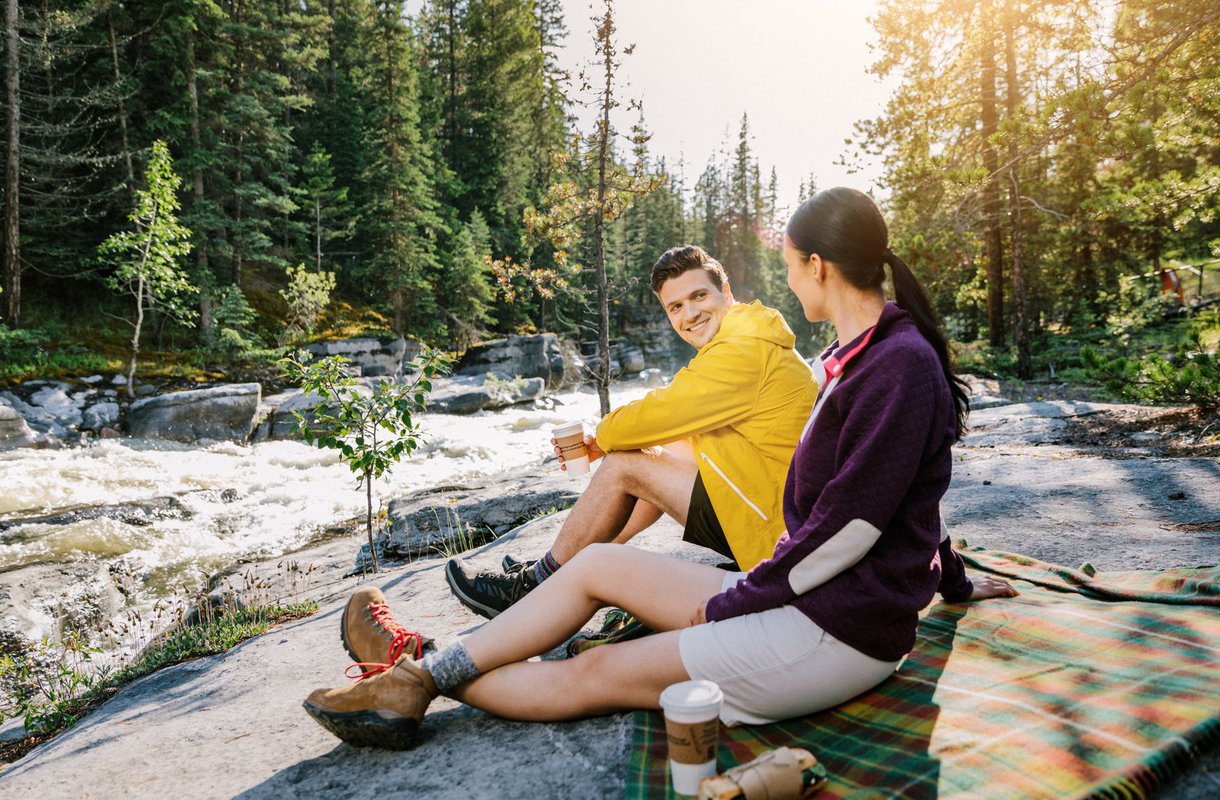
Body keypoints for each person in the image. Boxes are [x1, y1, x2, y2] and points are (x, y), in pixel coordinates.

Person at [302, 187, 1017, 749]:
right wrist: (949, 578)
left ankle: (415, 667)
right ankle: (427, 666)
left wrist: (733, 602)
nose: (791, 281)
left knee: (592, 674)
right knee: (593, 569)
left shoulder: (894, 366)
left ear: (818, 266)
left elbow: (853, 528)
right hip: (803, 597)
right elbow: (907, 494)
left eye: (793, 265)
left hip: (832, 629)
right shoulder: (861, 357)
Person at [446, 245, 817, 619]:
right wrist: (625, 442)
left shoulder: (742, 350)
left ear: (726, 291)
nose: (689, 314)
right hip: (770, 500)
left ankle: (533, 587)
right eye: (675, 306)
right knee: (652, 451)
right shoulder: (748, 336)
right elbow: (674, 428)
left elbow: (661, 410)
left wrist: (602, 439)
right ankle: (568, 564)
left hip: (774, 531)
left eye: (699, 296)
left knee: (625, 465)